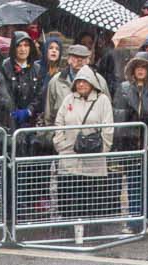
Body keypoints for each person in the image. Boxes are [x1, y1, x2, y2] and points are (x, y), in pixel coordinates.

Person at [53, 68, 114, 233]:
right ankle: (69, 230)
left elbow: (108, 128)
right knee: (68, 195)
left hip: (94, 158)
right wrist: (60, 144)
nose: (81, 84)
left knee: (92, 197)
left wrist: (103, 149)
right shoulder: (68, 99)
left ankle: (92, 231)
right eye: (78, 81)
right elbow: (59, 123)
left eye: (84, 81)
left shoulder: (102, 100)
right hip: (68, 155)